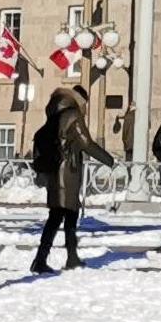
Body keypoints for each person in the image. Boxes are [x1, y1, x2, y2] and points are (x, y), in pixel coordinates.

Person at [29, 87, 112, 273]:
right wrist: (110, 160)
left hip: (55, 171)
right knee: (64, 215)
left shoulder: (55, 114)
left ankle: (59, 257)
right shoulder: (73, 114)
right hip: (68, 172)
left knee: (60, 215)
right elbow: (86, 143)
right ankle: (49, 259)